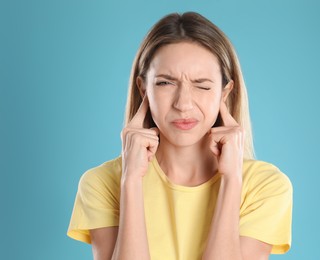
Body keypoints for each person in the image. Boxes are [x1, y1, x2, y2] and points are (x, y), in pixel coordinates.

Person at [67, 11, 293, 260]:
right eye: (165, 83)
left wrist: (232, 181)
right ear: (144, 89)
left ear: (224, 92)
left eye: (202, 85)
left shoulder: (265, 186)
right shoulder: (101, 184)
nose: (183, 104)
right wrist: (130, 181)